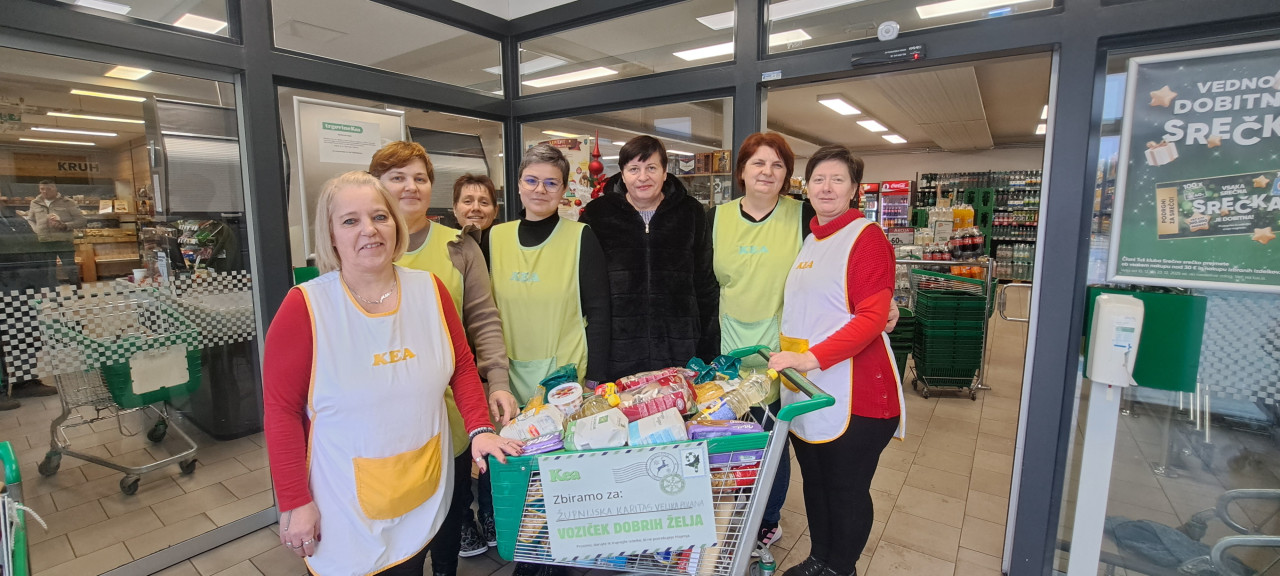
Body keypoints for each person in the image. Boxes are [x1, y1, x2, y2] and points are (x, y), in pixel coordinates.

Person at [262, 171, 522, 575]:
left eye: (380, 217)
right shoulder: (305, 308)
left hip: (423, 486)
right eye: (350, 220)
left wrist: (480, 428)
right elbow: (281, 412)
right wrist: (295, 501)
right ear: (331, 235)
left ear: (396, 224)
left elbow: (461, 367)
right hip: (342, 505)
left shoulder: (430, 290)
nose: (369, 230)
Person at [368, 142, 517, 567]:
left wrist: (498, 382)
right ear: (376, 185)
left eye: (420, 178)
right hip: (382, 419)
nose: (410, 187)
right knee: (396, 527)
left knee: (449, 521)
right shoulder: (363, 248)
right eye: (398, 177)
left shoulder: (458, 247)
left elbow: (484, 321)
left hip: (448, 410)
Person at [768, 145, 906, 576]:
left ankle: (840, 567)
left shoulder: (867, 238)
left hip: (857, 392)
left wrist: (810, 358)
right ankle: (820, 559)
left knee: (845, 488)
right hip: (808, 389)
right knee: (817, 482)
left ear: (854, 189)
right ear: (806, 187)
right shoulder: (812, 238)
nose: (826, 187)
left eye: (838, 179)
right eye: (818, 179)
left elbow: (871, 318)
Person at [486, 143, 611, 576]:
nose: (540, 189)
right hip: (507, 381)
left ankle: (560, 559)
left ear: (563, 189)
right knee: (518, 476)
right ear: (518, 184)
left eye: (551, 183)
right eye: (532, 180)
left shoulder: (581, 237)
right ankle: (526, 554)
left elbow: (600, 311)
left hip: (564, 380)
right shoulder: (494, 238)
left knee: (561, 478)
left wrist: (595, 378)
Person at [580, 136, 718, 379]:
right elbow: (587, 294)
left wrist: (707, 353)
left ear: (665, 172)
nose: (642, 177)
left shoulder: (691, 213)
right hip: (618, 355)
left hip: (680, 352)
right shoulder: (597, 215)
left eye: (651, 168)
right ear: (623, 175)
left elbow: (705, 287)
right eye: (634, 169)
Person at [0, 199, 60, 410]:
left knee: (23, 333)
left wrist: (43, 281)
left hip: (21, 287)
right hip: (6, 285)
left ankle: (24, 382)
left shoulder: (13, 218)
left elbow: (34, 247)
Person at [27, 180, 85, 285]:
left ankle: (77, 292)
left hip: (63, 241)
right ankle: (54, 293)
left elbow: (81, 221)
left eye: (48, 189)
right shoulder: (35, 203)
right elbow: (30, 219)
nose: (45, 191)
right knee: (49, 270)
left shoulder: (68, 202)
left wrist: (65, 225)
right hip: (44, 241)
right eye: (42, 189)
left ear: (55, 189)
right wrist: (36, 230)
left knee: (70, 268)